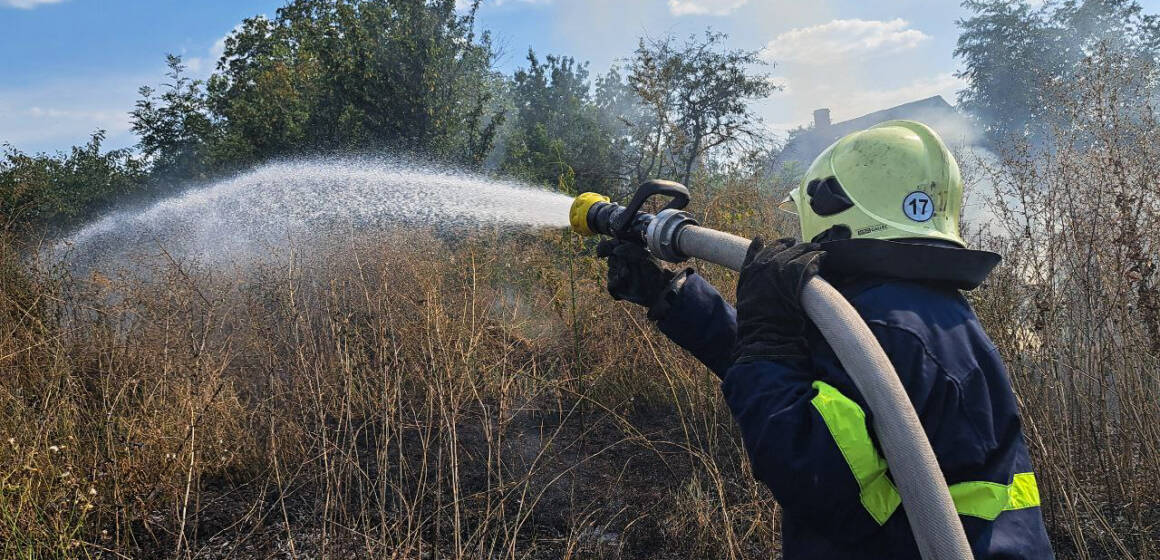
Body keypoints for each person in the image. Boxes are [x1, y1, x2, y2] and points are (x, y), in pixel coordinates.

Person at [596, 120, 1054, 559]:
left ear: (835, 210)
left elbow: (809, 465)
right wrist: (670, 296)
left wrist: (768, 332)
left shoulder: (884, 325)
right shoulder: (914, 308)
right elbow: (802, 375)